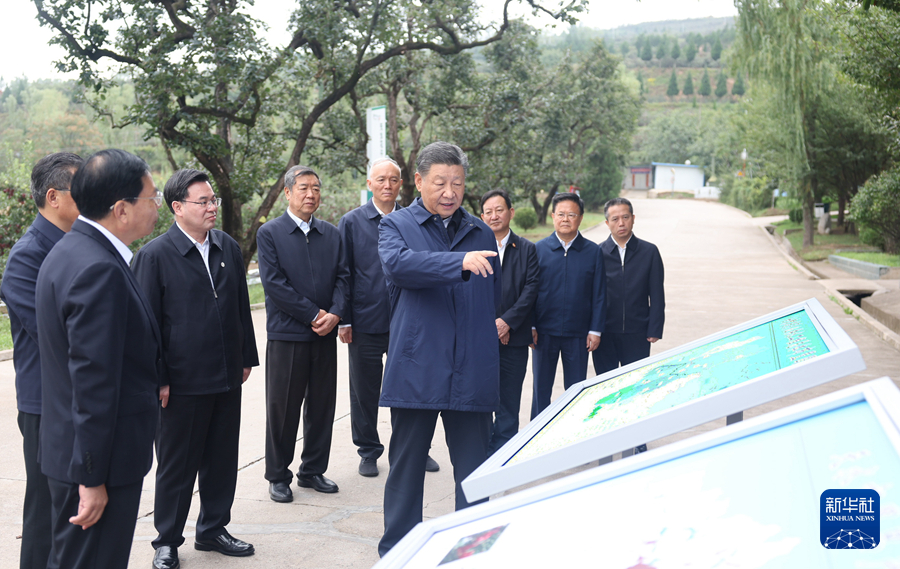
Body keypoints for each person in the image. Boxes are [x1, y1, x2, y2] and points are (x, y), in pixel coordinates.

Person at [35, 149, 161, 569]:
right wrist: (91, 478)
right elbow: (93, 383)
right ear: (121, 209)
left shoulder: (71, 250)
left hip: (74, 455)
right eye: (152, 198)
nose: (157, 207)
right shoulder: (98, 269)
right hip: (97, 465)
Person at [377, 141, 501, 556]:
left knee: (475, 470)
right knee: (407, 467)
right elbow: (400, 267)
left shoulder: (480, 231)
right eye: (440, 183)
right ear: (418, 181)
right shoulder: (396, 226)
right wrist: (457, 263)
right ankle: (399, 551)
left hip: (471, 368)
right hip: (419, 365)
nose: (450, 192)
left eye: (458, 183)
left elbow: (492, 297)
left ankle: (474, 551)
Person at [131, 169, 259, 569]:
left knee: (221, 458)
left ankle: (213, 529)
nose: (211, 208)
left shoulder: (226, 247)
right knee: (177, 465)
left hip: (226, 375)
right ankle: (167, 540)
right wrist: (159, 378)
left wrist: (246, 356)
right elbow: (145, 326)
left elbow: (240, 306)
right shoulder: (154, 256)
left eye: (212, 200)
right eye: (202, 201)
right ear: (177, 207)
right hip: (181, 383)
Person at [1, 152, 82, 569]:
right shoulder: (28, 256)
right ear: (53, 197)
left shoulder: (80, 245)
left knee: (77, 505)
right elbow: (55, 334)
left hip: (81, 395)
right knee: (47, 508)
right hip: (46, 403)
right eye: (80, 189)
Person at [337, 157, 440, 477]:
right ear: (369, 184)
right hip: (365, 322)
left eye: (393, 180)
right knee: (364, 391)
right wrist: (344, 319)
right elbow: (343, 273)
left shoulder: (414, 220)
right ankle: (368, 450)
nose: (387, 185)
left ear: (402, 184)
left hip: (407, 321)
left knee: (411, 388)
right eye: (380, 180)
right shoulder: (351, 222)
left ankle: (415, 448)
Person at [257, 165, 349, 502]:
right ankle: (278, 475)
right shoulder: (270, 233)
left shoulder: (331, 234)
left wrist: (335, 313)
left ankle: (312, 471)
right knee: (283, 410)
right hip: (288, 336)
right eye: (303, 188)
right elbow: (275, 285)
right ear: (288, 193)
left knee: (322, 407)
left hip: (324, 334)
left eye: (316, 188)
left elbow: (343, 277)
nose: (311, 194)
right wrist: (314, 314)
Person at [593, 197, 665, 455]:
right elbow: (592, 296)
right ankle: (609, 436)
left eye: (625, 217)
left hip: (637, 332)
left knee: (637, 387)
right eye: (615, 219)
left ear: (633, 219)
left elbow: (657, 293)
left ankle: (638, 437)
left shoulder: (649, 251)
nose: (621, 223)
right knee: (607, 387)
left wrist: (654, 328)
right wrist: (593, 330)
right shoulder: (597, 253)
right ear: (607, 223)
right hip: (605, 333)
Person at [531, 192, 606, 419]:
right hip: (543, 333)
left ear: (580, 218)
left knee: (576, 390)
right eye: (561, 214)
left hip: (578, 334)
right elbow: (530, 292)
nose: (565, 219)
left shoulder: (593, 252)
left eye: (571, 215)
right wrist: (531, 325)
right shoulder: (538, 250)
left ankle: (573, 431)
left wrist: (595, 330)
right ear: (553, 216)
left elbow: (599, 294)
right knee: (540, 389)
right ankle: (537, 434)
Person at [479, 189, 540, 454]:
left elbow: (531, 289)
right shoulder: (474, 249)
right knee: (481, 397)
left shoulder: (527, 249)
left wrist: (506, 323)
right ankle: (480, 451)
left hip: (515, 338)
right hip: (481, 338)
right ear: (482, 217)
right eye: (488, 212)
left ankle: (502, 453)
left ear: (511, 212)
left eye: (499, 210)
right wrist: (493, 325)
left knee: (509, 400)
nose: (494, 216)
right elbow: (471, 291)